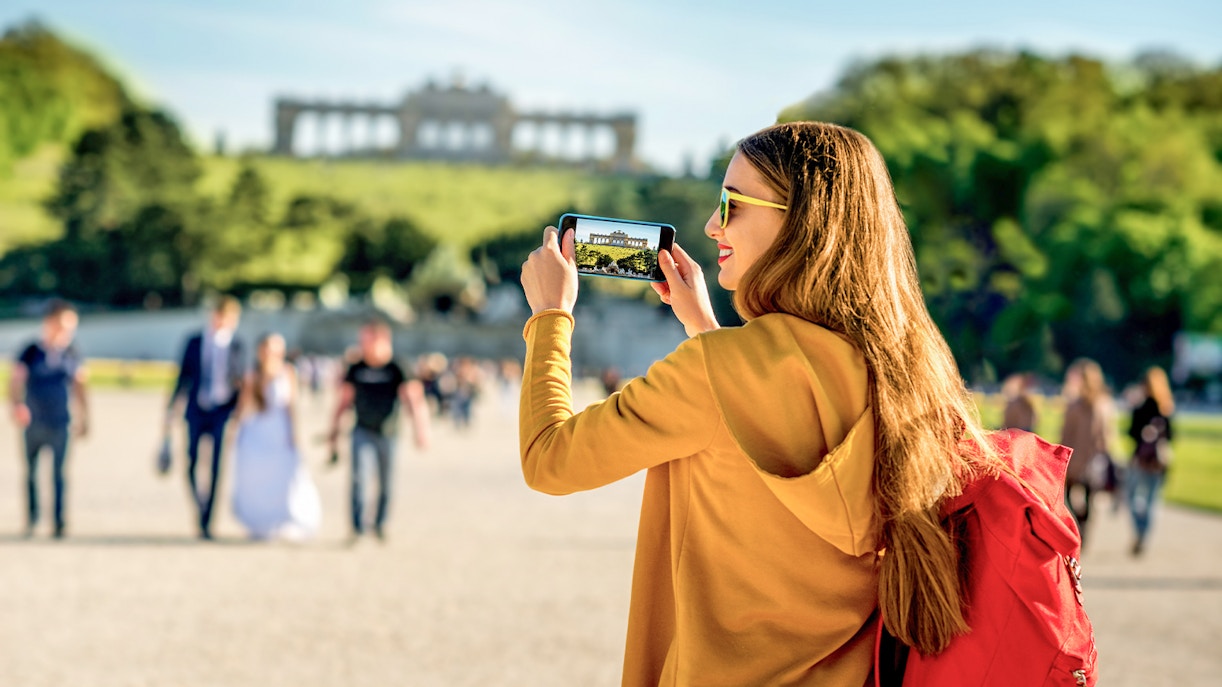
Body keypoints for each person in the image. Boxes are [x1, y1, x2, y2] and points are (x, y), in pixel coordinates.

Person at [518, 122, 1000, 685]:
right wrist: (706, 330)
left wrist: (551, 317)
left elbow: (549, 458)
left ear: (798, 221)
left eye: (731, 204)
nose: (711, 224)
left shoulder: (715, 372)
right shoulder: (910, 373)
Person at [326, 319, 430, 541]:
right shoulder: (356, 367)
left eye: (367, 340)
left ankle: (380, 524)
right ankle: (357, 527)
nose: (362, 345)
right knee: (358, 478)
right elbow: (343, 401)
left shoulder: (397, 366)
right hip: (361, 430)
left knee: (386, 481)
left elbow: (414, 399)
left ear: (383, 340)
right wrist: (333, 430)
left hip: (388, 432)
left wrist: (420, 430)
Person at [165, 296, 245, 540]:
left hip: (222, 411)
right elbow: (183, 377)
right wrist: (171, 408)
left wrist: (238, 414)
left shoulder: (236, 345)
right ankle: (199, 504)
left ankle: (208, 520)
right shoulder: (195, 341)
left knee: (216, 466)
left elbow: (240, 381)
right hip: (197, 409)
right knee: (189, 461)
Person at [9, 299, 89, 539]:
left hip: (60, 421)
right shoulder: (31, 351)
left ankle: (59, 521)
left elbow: (80, 385)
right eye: (64, 325)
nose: (68, 332)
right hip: (34, 421)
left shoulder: (72, 353)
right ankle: (32, 519)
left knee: (59, 474)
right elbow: (16, 380)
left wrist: (85, 417)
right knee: (31, 472)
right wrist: (17, 405)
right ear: (50, 322)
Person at [230, 333, 321, 541]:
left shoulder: (288, 372)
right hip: (258, 432)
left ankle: (286, 518)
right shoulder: (253, 375)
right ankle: (260, 520)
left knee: (286, 474)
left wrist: (295, 435)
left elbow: (291, 406)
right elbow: (243, 408)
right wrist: (235, 431)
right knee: (259, 478)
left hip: (279, 431)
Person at [1059, 358, 1115, 547]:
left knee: (1069, 496)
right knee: (1087, 497)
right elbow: (1106, 435)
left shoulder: (1076, 405)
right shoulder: (1103, 404)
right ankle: (1084, 525)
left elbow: (1066, 434)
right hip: (1091, 459)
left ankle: (1080, 524)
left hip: (1077, 458)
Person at [1126, 366, 1175, 556]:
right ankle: (1144, 534)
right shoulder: (1165, 408)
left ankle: (1139, 529)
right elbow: (1171, 436)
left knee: (1133, 497)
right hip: (1159, 462)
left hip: (1141, 459)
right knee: (1152, 500)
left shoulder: (1140, 408)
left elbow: (1131, 433)